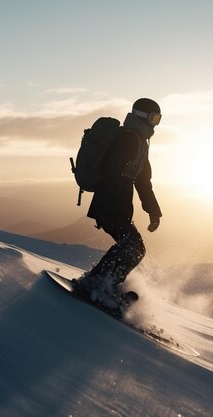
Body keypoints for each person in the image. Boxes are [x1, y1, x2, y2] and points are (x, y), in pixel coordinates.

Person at [72, 98, 163, 308]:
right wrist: (115, 203)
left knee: (132, 247)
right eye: (154, 118)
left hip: (115, 204)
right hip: (110, 203)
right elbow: (111, 171)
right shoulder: (129, 139)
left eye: (158, 119)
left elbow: (143, 181)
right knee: (133, 247)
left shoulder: (139, 142)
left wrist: (153, 211)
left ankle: (103, 283)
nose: (156, 124)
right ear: (142, 116)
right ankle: (98, 284)